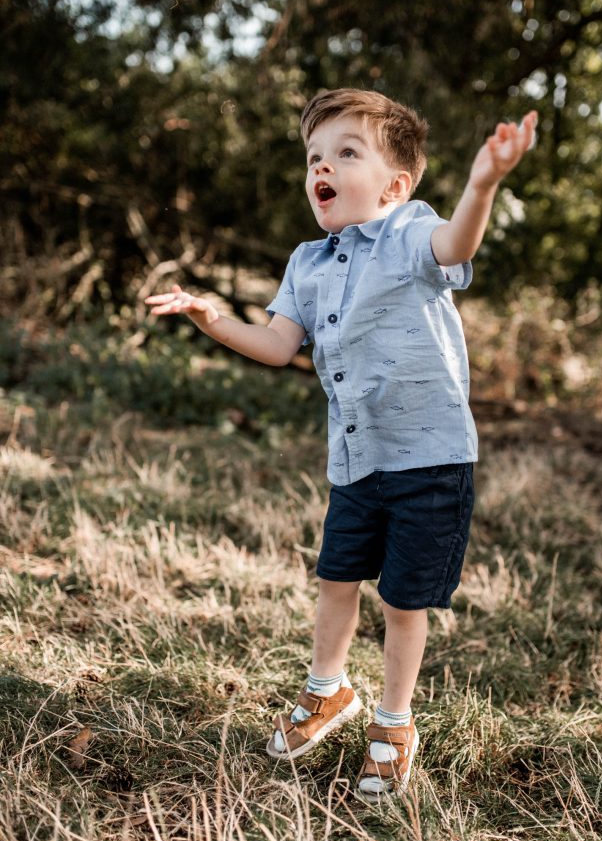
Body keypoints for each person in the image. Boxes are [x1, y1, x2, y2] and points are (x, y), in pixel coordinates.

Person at [145, 89, 536, 802]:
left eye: (345, 154)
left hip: (428, 460)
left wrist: (482, 183)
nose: (321, 168)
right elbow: (274, 344)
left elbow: (459, 246)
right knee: (335, 577)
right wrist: (211, 318)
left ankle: (393, 723)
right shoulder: (308, 263)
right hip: (356, 459)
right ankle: (328, 692)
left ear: (394, 185)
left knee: (400, 600)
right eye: (313, 158)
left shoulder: (412, 233)